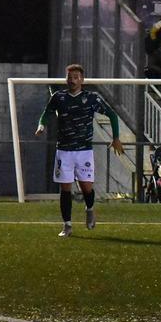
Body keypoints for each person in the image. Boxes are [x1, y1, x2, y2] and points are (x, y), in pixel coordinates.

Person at [34, 64, 123, 237]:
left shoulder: (91, 98)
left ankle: (89, 209)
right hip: (64, 150)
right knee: (65, 189)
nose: (72, 80)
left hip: (84, 151)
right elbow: (46, 113)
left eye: (76, 77)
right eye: (69, 77)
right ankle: (67, 225)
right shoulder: (59, 97)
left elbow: (112, 115)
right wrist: (41, 125)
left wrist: (116, 138)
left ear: (82, 79)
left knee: (86, 188)